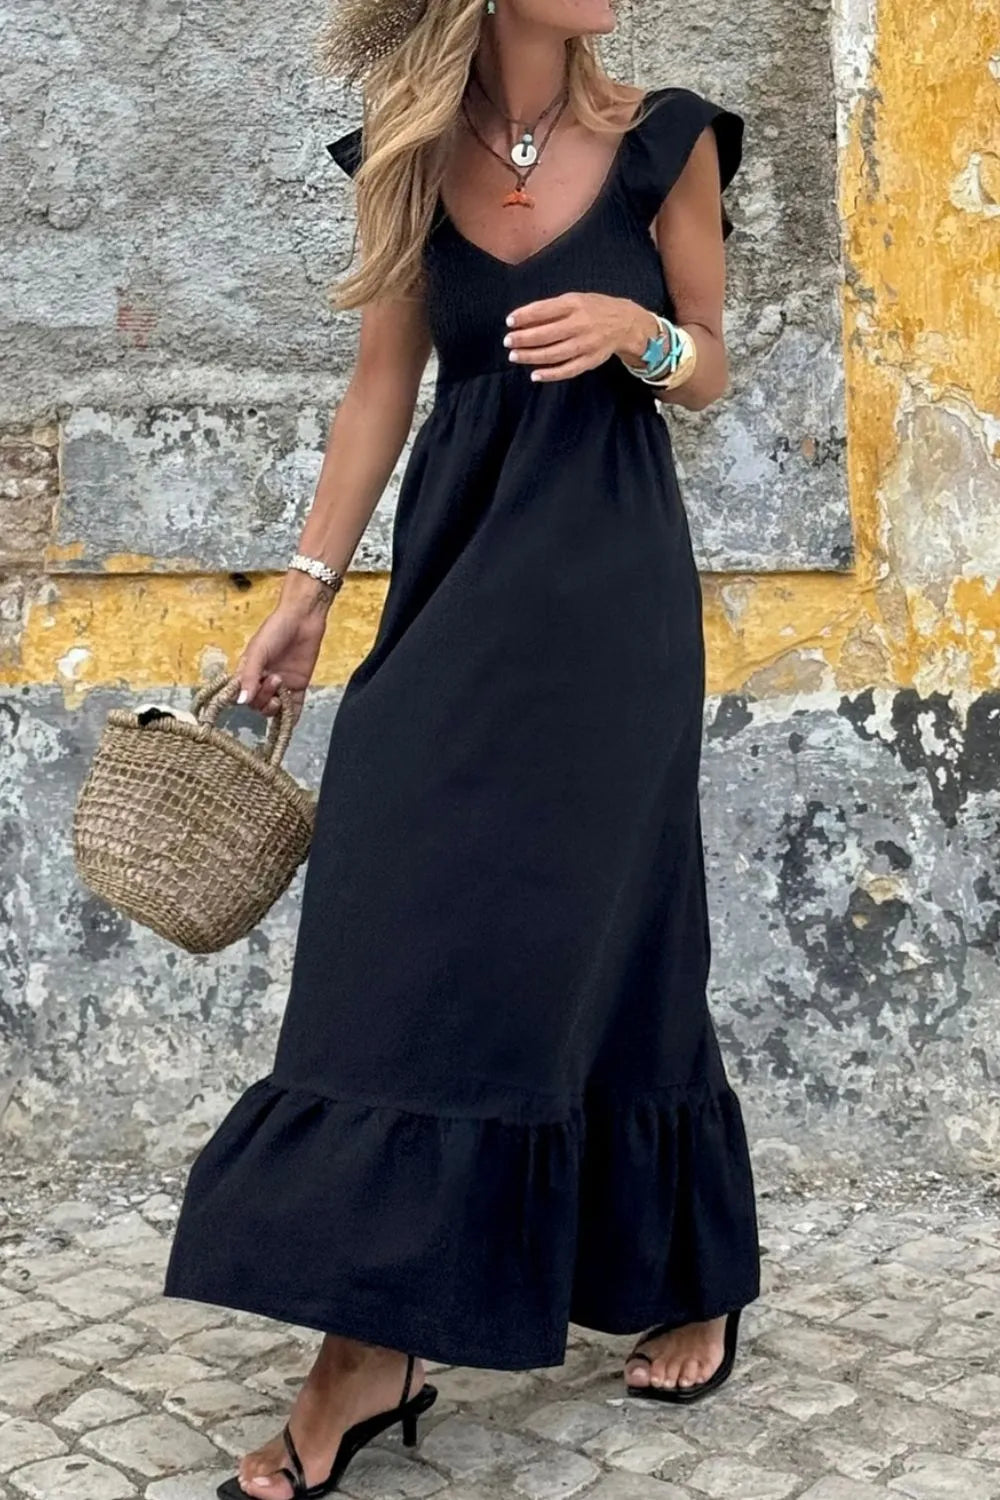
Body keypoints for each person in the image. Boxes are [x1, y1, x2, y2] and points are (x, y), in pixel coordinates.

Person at [163, 0, 762, 1492]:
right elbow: (382, 389)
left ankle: (663, 1272)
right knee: (394, 900)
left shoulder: (661, 144)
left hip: (610, 597)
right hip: (452, 582)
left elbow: (713, 371)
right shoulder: (408, 167)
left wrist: (644, 332)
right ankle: (381, 1328)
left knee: (617, 922)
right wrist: (305, 596)